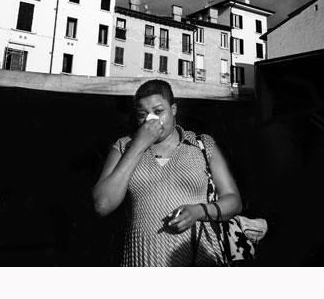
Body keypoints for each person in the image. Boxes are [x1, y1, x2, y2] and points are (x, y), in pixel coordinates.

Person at [93, 79, 242, 266]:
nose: (151, 120)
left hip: (200, 259)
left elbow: (234, 201)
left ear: (173, 110)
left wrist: (199, 211)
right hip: (141, 261)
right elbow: (102, 205)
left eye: (158, 111)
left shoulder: (202, 145)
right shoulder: (124, 146)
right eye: (142, 114)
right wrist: (139, 144)